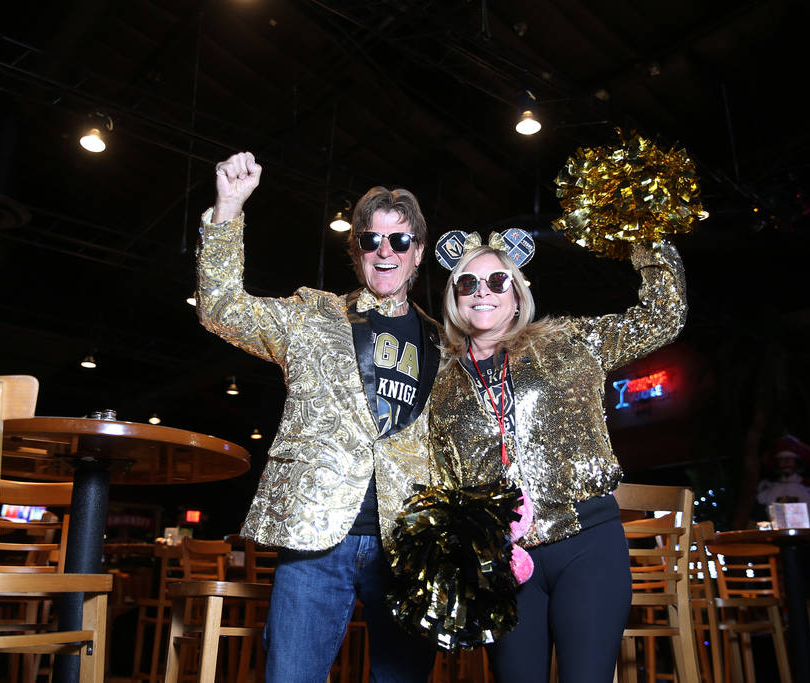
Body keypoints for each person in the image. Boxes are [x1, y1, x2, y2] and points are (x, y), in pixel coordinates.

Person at [195, 151, 440, 682]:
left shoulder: (443, 340)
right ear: (356, 249)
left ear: (418, 252)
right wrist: (228, 209)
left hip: (407, 542)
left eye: (399, 241)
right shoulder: (311, 315)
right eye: (371, 239)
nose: (384, 252)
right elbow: (220, 308)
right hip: (314, 536)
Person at [425, 231, 687, 682]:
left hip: (586, 544)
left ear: (517, 289)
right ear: (454, 297)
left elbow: (663, 317)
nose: (483, 292)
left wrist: (645, 233)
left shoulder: (567, 342)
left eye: (497, 281)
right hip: (507, 564)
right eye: (468, 283)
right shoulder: (440, 383)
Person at [756, 434, 810, 527]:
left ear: (797, 462)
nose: (785, 463)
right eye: (781, 460)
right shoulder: (767, 488)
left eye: (788, 459)